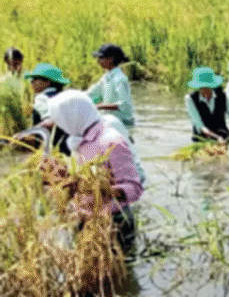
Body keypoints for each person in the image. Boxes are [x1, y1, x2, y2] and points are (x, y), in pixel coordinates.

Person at [47, 90, 144, 251]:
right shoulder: (77, 140)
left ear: (74, 116)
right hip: (86, 217)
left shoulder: (110, 141)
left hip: (113, 222)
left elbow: (134, 188)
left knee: (119, 274)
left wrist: (100, 188)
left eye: (61, 119)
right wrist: (60, 177)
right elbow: (79, 181)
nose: (59, 124)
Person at [185, 66, 229, 145]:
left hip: (223, 135)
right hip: (202, 138)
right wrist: (217, 138)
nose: (204, 90)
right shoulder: (190, 99)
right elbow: (200, 127)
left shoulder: (223, 96)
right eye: (202, 87)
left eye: (207, 86)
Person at [23, 63, 71, 154]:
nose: (31, 82)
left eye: (35, 79)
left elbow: (51, 122)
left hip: (53, 148)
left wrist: (26, 133)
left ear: (47, 82)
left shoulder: (41, 98)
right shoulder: (64, 96)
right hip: (69, 145)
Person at [86, 43, 135, 129]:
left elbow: (124, 104)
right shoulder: (106, 77)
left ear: (111, 59)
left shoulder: (120, 79)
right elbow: (91, 93)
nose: (98, 61)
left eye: (101, 58)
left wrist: (99, 106)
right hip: (111, 121)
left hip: (123, 124)